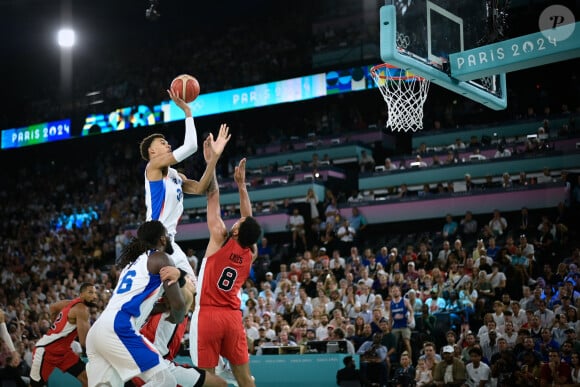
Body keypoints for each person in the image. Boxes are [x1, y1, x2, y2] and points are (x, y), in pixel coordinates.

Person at [86, 220, 194, 386]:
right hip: (119, 328)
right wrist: (178, 317)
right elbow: (179, 306)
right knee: (165, 381)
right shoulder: (161, 258)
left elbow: (138, 305)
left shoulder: (130, 266)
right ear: (163, 239)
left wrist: (163, 307)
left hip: (97, 332)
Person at [190, 157, 262, 387]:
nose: (236, 221)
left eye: (239, 223)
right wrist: (242, 185)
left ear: (238, 232)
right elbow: (248, 219)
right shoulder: (251, 253)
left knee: (208, 378)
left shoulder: (220, 237)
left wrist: (211, 162)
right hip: (232, 317)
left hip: (209, 314)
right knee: (245, 379)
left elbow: (212, 196)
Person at [29, 283, 98, 387]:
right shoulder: (82, 309)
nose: (94, 296)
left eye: (95, 293)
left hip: (63, 352)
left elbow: (53, 307)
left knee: (88, 379)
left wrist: (55, 325)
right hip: (47, 351)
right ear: (81, 294)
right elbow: (84, 342)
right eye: (90, 292)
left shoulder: (70, 303)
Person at [389, 284, 415, 359]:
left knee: (406, 343)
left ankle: (409, 359)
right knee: (393, 344)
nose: (395, 292)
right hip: (396, 325)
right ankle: (395, 359)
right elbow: (390, 316)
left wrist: (410, 318)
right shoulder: (391, 303)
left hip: (404, 325)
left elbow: (411, 311)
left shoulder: (405, 301)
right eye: (393, 291)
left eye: (396, 291)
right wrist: (389, 325)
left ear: (400, 292)